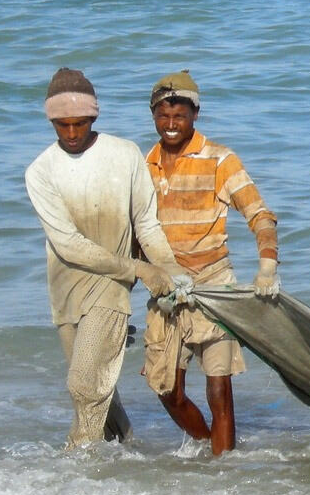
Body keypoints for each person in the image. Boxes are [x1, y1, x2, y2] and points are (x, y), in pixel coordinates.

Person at [25, 67, 188, 448]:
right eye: (62, 125)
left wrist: (169, 269)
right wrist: (140, 268)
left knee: (84, 385)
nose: (71, 133)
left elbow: (146, 224)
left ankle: (75, 463)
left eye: (79, 123)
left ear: (93, 117)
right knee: (98, 389)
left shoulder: (124, 154)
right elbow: (68, 245)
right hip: (65, 290)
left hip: (111, 288)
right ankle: (128, 452)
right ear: (51, 122)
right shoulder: (40, 172)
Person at [141, 70, 281, 456]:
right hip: (167, 291)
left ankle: (224, 469)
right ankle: (207, 449)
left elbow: (260, 215)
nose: (171, 124)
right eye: (163, 116)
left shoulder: (220, 160)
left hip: (215, 286)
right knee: (168, 391)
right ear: (153, 115)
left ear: (195, 115)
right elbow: (134, 233)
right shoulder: (142, 165)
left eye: (180, 116)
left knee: (219, 390)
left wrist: (267, 265)